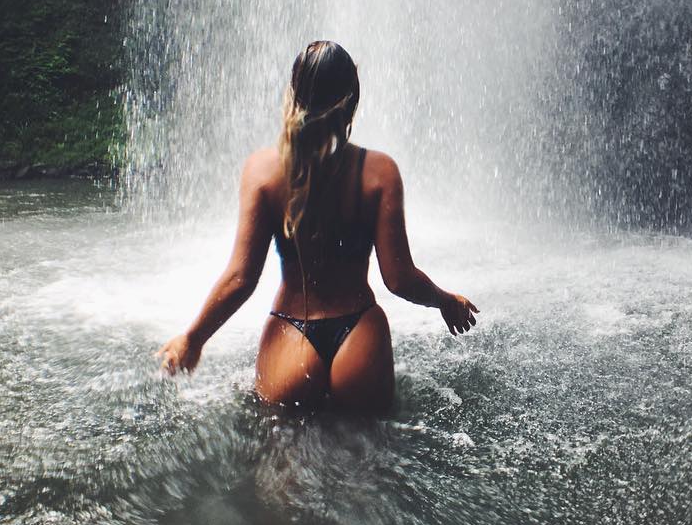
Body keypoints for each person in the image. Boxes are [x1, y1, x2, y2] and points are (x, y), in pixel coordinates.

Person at [158, 40, 478, 412]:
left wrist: (193, 338)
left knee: (281, 457)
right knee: (368, 459)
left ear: (295, 95)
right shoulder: (379, 173)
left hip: (290, 333)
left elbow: (241, 279)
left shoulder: (263, 172)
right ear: (353, 100)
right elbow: (399, 279)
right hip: (360, 333)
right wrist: (444, 300)